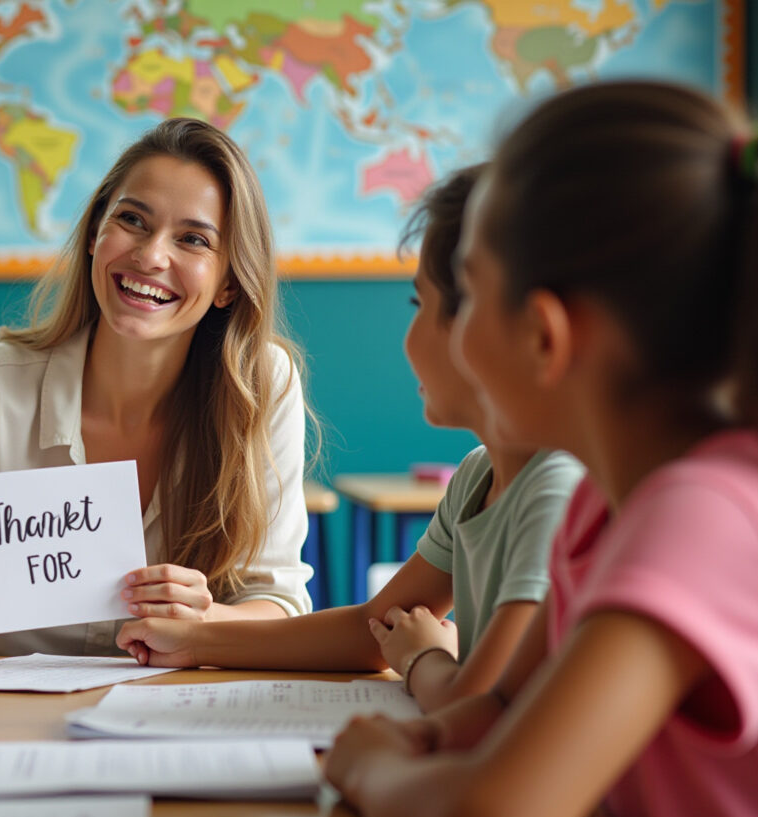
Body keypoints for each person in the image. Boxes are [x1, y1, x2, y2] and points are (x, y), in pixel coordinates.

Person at [324, 80, 758, 817]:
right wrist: (432, 737)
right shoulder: (612, 501)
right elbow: (504, 707)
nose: (451, 334)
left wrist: (372, 768)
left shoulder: (713, 516)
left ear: (545, 336)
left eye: (467, 296)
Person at [116, 166, 582, 711]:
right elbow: (374, 631)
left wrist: (424, 659)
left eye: (421, 305)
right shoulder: (481, 474)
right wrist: (193, 640)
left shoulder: (558, 488)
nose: (409, 336)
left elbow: (476, 712)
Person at [0, 117, 314, 657]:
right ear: (95, 235)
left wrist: (209, 620)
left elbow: (278, 600)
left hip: (169, 719)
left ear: (229, 282)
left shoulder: (261, 387)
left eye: (192, 239)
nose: (151, 255)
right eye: (133, 220)